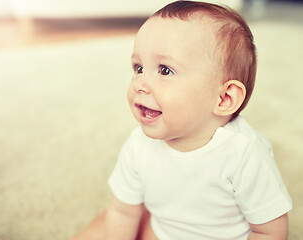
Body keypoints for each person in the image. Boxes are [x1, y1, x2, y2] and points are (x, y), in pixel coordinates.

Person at [70, 1, 292, 239]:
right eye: (139, 68)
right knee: (106, 222)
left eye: (165, 70)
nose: (139, 84)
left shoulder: (243, 154)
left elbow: (269, 232)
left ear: (224, 98)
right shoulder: (138, 145)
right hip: (162, 231)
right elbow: (123, 212)